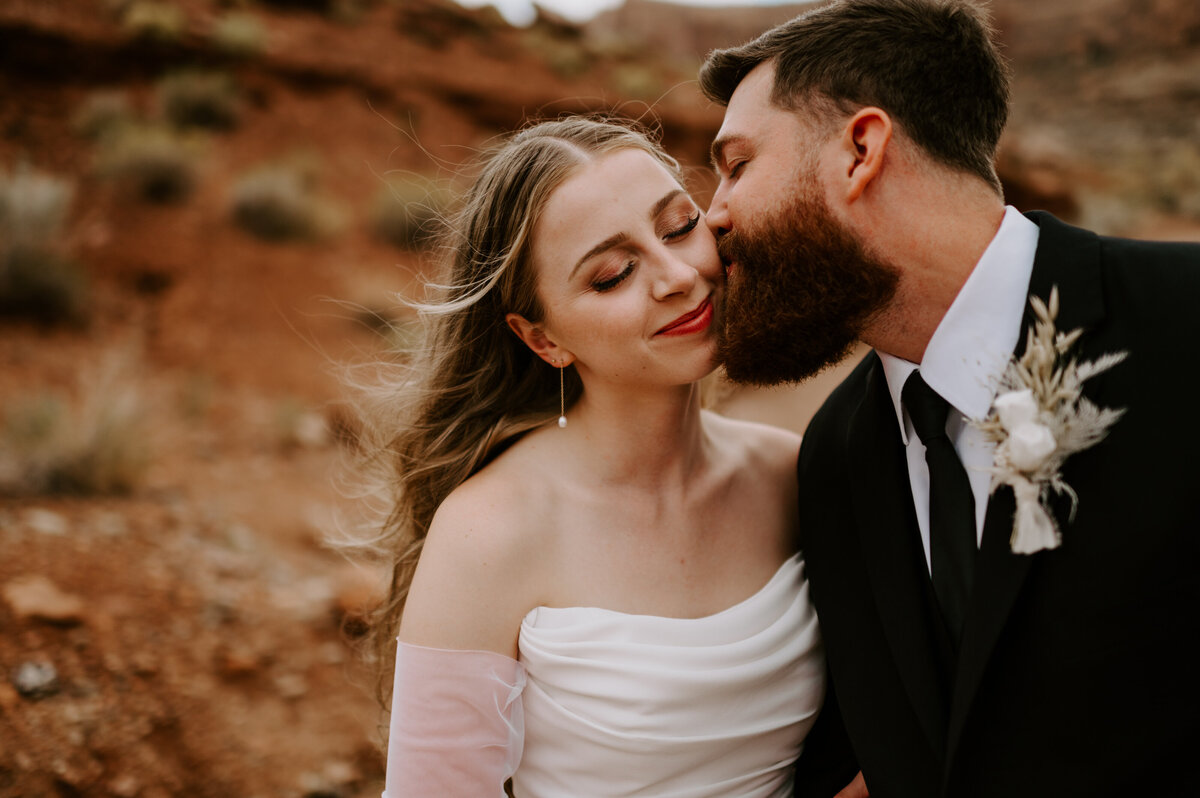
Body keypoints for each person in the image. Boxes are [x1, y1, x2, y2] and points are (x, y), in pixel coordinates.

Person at [698, 0, 1200, 796]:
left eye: (736, 166)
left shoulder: (1185, 321)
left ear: (860, 149)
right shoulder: (835, 454)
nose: (712, 215)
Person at [359, 116, 828, 797]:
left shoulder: (788, 473)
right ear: (542, 338)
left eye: (677, 226)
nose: (675, 276)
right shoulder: (489, 533)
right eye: (612, 275)